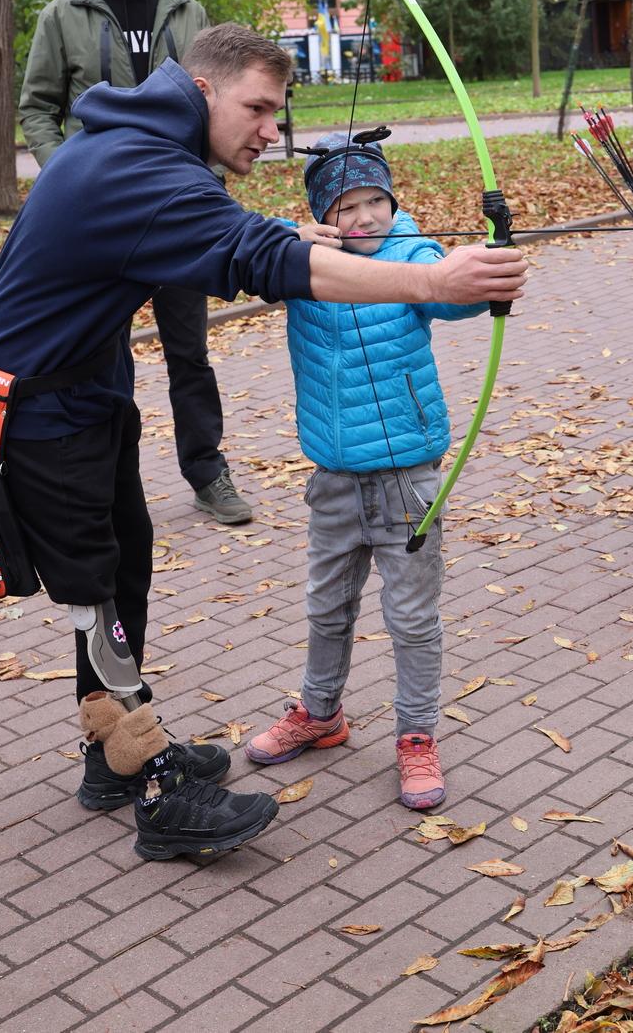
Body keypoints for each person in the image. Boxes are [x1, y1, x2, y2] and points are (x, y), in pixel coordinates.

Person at [0, 24, 527, 861]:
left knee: (125, 576)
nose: (271, 130)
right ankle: (157, 793)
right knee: (97, 601)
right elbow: (251, 253)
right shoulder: (137, 166)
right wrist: (432, 279)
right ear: (202, 90)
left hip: (85, 397)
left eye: (278, 111)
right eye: (258, 108)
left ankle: (112, 756)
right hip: (37, 415)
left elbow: (224, 231)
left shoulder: (144, 148)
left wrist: (293, 236)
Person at [244, 133, 491, 809]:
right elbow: (240, 251)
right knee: (327, 607)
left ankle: (417, 738)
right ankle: (320, 713)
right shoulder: (305, 262)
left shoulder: (412, 256)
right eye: (347, 207)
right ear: (325, 213)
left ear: (392, 201)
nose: (363, 218)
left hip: (405, 476)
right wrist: (289, 237)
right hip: (333, 475)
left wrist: (485, 266)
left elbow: (452, 294)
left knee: (411, 617)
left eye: (374, 201)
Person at [18, 0, 253, 525]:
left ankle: (207, 472)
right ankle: (108, 482)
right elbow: (37, 107)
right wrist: (64, 170)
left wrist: (209, 180)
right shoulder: (63, 14)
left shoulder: (187, 11)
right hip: (101, 220)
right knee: (98, 353)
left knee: (189, 351)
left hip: (177, 211)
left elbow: (218, 100)